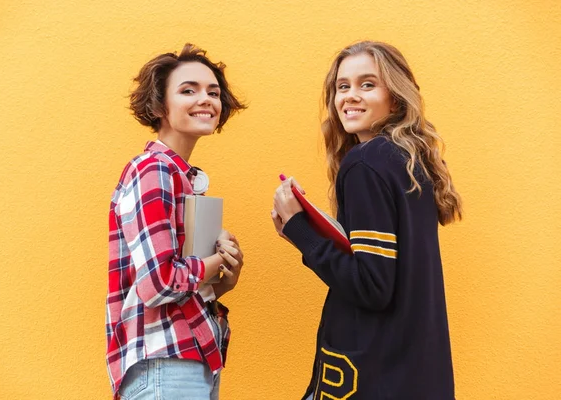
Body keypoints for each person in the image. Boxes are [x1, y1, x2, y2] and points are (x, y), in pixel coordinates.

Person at [271, 41, 463, 400]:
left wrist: (300, 231)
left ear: (397, 97)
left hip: (371, 375)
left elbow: (372, 285)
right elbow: (385, 267)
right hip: (417, 375)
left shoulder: (365, 164)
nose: (350, 96)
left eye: (367, 84)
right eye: (342, 87)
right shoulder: (407, 162)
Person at [107, 43, 246, 400]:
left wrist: (221, 277)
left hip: (188, 359)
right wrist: (213, 261)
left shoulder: (180, 177)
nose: (206, 100)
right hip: (166, 365)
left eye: (213, 92)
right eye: (188, 90)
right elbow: (157, 284)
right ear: (159, 106)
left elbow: (176, 285)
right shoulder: (152, 170)